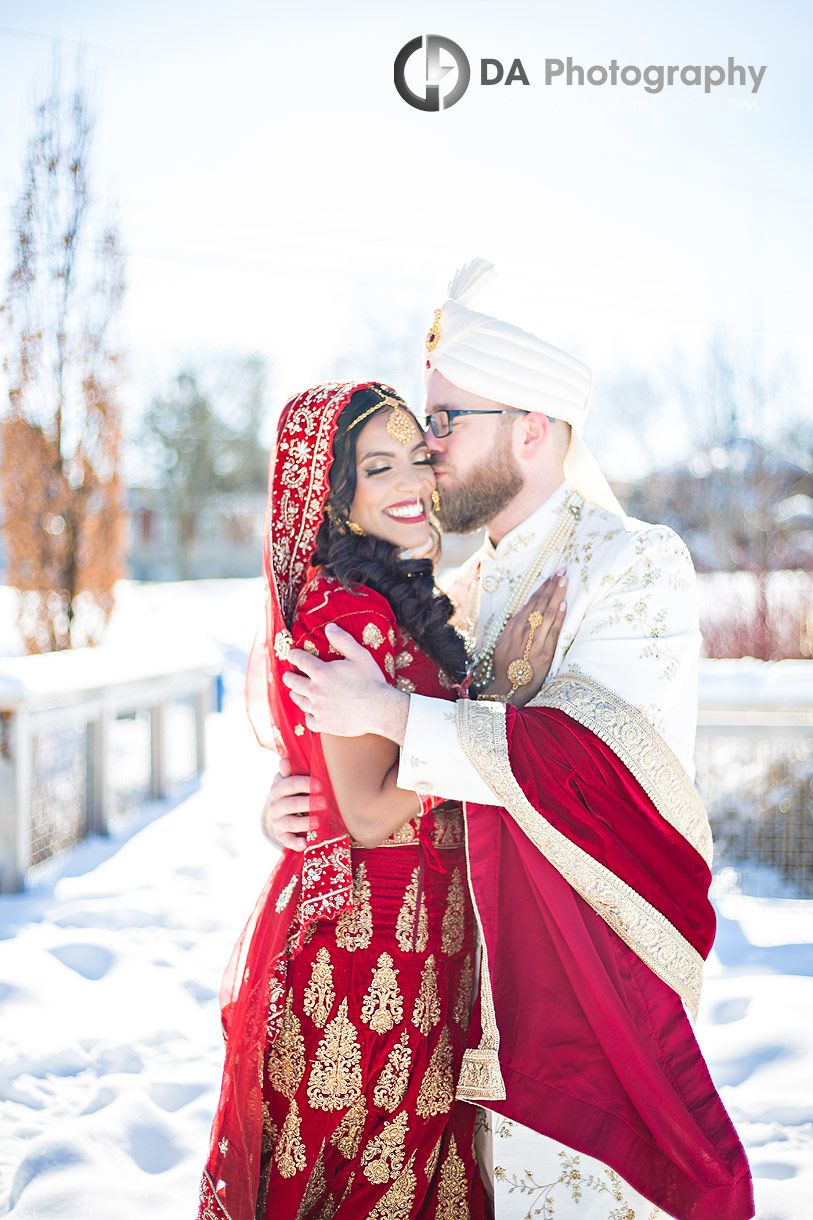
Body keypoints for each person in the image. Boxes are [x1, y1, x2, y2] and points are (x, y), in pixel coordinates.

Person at [267, 261, 755, 1220]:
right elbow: (382, 764)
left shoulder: (633, 561)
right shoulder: (457, 594)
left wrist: (397, 719)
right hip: (446, 1019)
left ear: (532, 428)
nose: (427, 449)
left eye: (446, 422)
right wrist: (308, 803)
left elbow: (596, 761)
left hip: (581, 1001)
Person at [197, 378, 567, 1220]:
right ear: (336, 495)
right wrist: (473, 727)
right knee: (367, 1177)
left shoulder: (396, 600)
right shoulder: (347, 610)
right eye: (378, 468)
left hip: (421, 940)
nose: (412, 483)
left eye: (416, 459)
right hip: (367, 951)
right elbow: (365, 813)